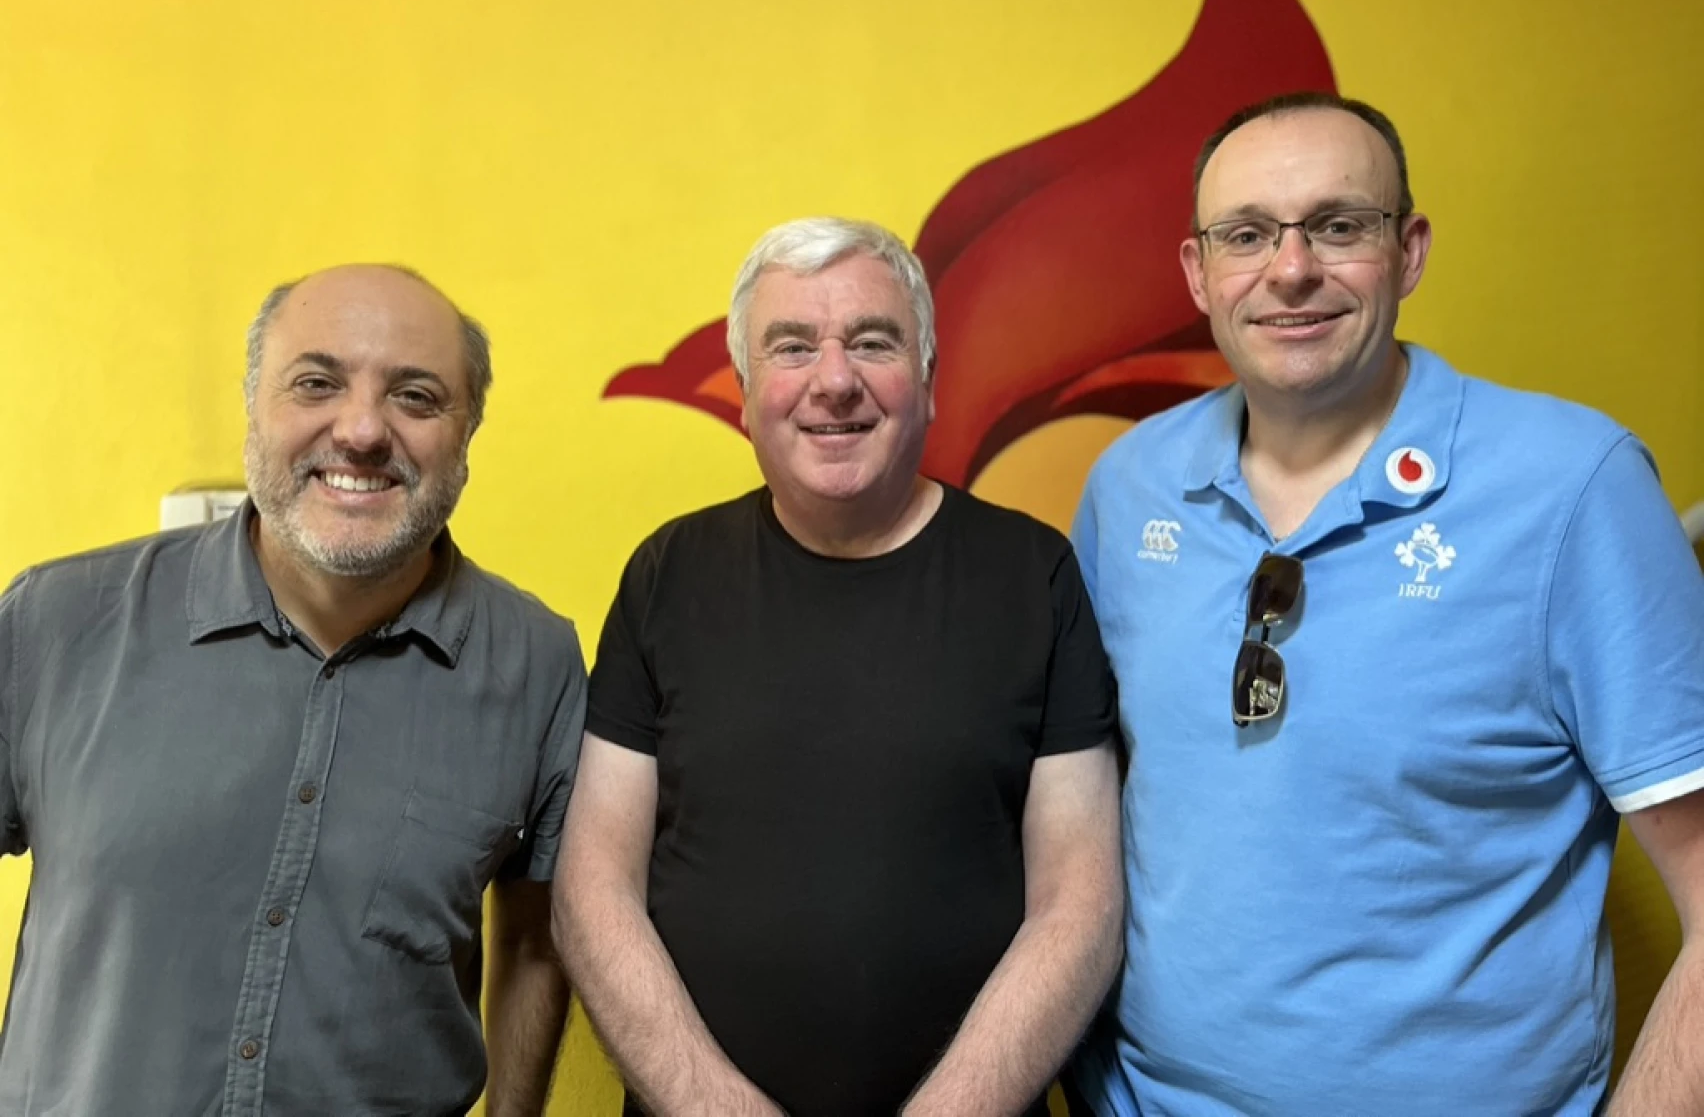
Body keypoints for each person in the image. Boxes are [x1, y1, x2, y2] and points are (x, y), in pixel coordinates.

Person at [1069, 92, 1704, 1114]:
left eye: (1337, 224)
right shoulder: (1129, 485)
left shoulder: (1574, 487)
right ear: (1199, 273)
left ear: (1408, 251)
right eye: (1247, 234)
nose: (1291, 269)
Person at [555, 217, 1123, 1117]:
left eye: (872, 341)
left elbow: (1080, 905)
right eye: (792, 346)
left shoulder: (1034, 576)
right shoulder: (668, 573)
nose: (834, 380)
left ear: (929, 381)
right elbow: (593, 890)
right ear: (744, 393)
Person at [0, 265, 586, 1116]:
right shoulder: (56, 622)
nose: (359, 430)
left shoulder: (537, 663)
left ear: (468, 434)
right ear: (254, 405)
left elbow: (537, 932)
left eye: (416, 398)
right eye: (316, 382)